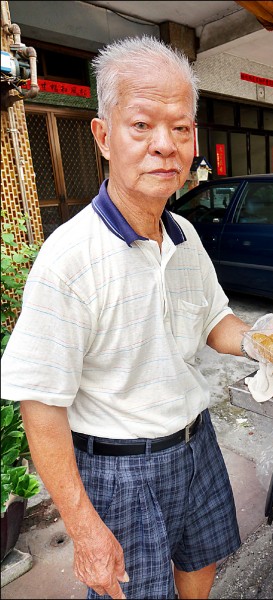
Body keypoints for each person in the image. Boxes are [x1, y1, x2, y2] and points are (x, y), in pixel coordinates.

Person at [1, 36, 254, 600]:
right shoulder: (69, 259)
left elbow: (217, 322)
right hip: (121, 471)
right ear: (103, 136)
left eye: (182, 128)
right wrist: (83, 526)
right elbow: (40, 405)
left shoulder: (185, 236)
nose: (165, 146)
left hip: (198, 443)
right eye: (142, 125)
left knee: (203, 564)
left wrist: (267, 342)